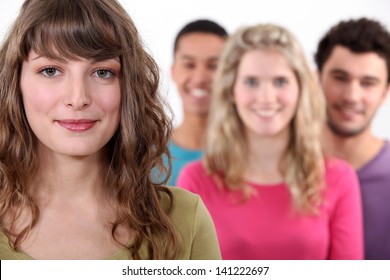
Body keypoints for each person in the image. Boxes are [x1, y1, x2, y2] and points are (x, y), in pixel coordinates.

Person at [0, 0, 220, 260]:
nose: (78, 97)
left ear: (129, 86)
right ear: (16, 82)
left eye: (102, 72)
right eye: (51, 70)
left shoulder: (185, 220)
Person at [177, 23, 363, 260]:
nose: (266, 98)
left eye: (280, 81)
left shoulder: (339, 179)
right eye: (252, 82)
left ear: (300, 89)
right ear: (232, 90)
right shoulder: (196, 181)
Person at [314, 18, 390, 260]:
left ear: (385, 91)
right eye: (340, 78)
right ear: (317, 79)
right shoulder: (277, 168)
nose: (352, 96)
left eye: (368, 83)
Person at [162, 19, 227, 186]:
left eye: (213, 66)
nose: (199, 79)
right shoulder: (145, 159)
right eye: (189, 65)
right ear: (174, 70)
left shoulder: (251, 156)